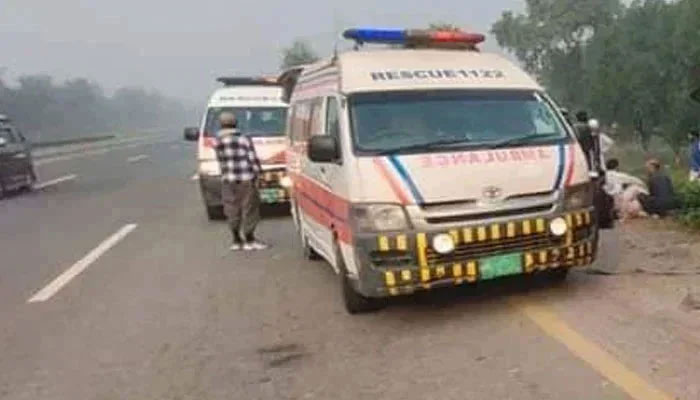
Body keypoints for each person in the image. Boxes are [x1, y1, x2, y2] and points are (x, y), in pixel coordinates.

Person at [214, 112, 267, 251]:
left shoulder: (217, 142)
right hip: (246, 179)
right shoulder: (243, 140)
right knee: (249, 208)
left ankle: (236, 240)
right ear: (236, 123)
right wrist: (259, 174)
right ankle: (250, 239)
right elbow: (252, 159)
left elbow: (221, 162)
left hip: (228, 180)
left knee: (231, 208)